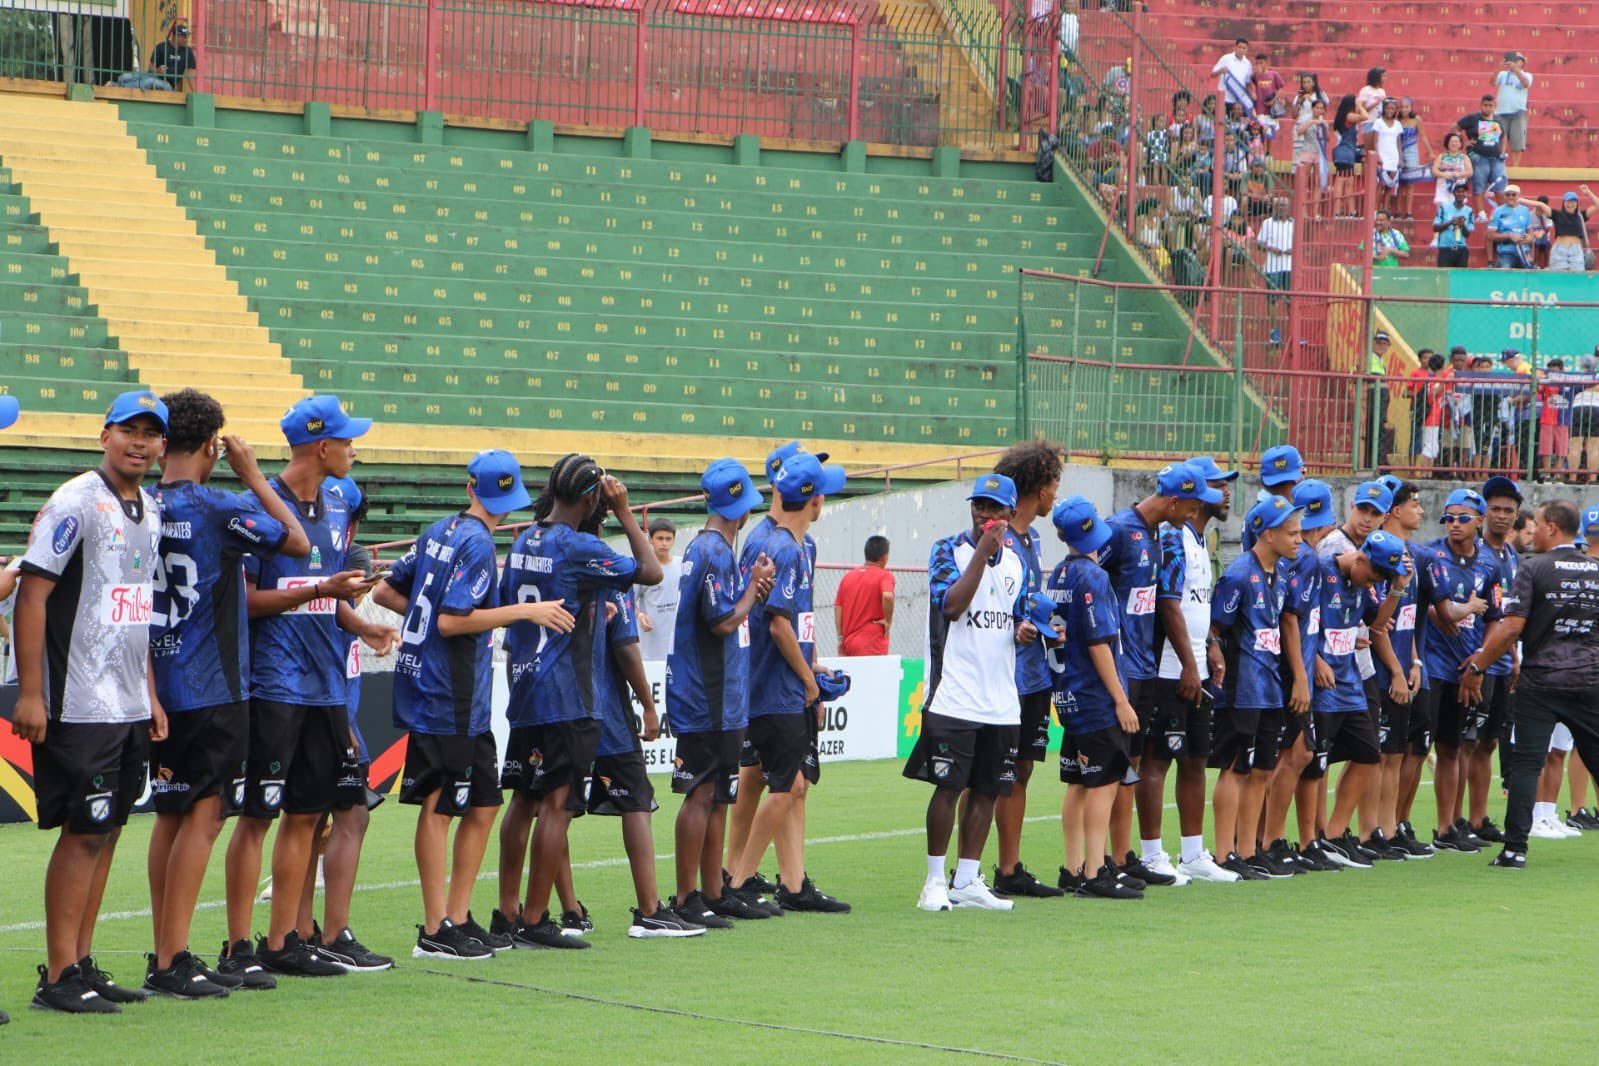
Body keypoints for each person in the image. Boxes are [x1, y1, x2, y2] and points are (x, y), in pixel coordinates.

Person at [221, 395, 397, 980]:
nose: (354, 450)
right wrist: (319, 589)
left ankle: (283, 943)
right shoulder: (254, 506)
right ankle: (237, 946)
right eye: (348, 441)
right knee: (257, 817)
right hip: (273, 686)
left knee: (307, 816)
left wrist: (359, 620)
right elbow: (243, 602)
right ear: (322, 447)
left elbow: (322, 593)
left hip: (326, 686)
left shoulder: (338, 505)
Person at [144, 390, 309, 997]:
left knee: (169, 813)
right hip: (210, 683)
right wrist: (252, 474)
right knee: (205, 815)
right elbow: (295, 542)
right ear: (214, 443)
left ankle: (166, 952)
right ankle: (172, 959)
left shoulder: (142, 503)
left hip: (155, 679)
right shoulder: (218, 506)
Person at [374, 451, 567, 958]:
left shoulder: (438, 530)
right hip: (449, 693)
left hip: (459, 694)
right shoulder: (479, 543)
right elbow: (450, 621)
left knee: (483, 803)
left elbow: (387, 592)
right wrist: (525, 610)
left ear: (469, 490)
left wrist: (427, 620)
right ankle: (436, 928)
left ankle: (457, 916)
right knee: (441, 806)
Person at [13, 391, 168, 1013]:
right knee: (82, 833)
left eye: (151, 434)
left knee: (107, 831)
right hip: (78, 701)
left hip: (127, 702)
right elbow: (31, 595)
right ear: (103, 435)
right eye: (128, 429)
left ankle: (80, 961)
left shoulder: (150, 510)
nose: (139, 442)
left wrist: (149, 693)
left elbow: (138, 612)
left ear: (162, 446)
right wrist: (31, 692)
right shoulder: (75, 502)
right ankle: (57, 976)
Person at [498, 455, 662, 947]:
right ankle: (534, 919)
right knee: (558, 806)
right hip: (567, 695)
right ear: (593, 497)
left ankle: (508, 912)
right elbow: (650, 571)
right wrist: (627, 512)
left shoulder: (527, 537)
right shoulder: (579, 546)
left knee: (523, 800)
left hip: (525, 684)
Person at [727, 451, 852, 913]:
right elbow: (778, 623)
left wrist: (810, 665)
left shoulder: (789, 542)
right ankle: (736, 877)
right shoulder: (777, 544)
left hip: (778, 680)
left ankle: (791, 882)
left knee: (789, 783)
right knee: (778, 783)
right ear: (813, 499)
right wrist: (808, 680)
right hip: (773, 685)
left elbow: (797, 620)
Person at [907, 474, 1032, 911]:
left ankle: (967, 880)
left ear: (1011, 515)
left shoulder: (1019, 563)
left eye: (994, 508)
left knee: (987, 791)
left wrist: (1024, 629)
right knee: (948, 788)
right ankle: (934, 882)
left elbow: (1017, 613)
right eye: (979, 505)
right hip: (955, 695)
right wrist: (982, 553)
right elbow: (953, 606)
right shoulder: (949, 550)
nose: (984, 514)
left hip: (1001, 699)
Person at [1462, 500, 1599, 869]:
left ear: (1552, 527)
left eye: (1536, 524)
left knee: (1525, 764)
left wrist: (1477, 667)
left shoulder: (1533, 568)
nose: (1530, 530)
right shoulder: (1596, 571)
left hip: (1540, 682)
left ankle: (1515, 850)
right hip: (1589, 681)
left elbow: (1511, 628)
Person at [667, 459, 775, 923]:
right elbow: (722, 621)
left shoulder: (715, 549)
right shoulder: (712, 551)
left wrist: (753, 592)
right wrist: (752, 591)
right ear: (739, 509)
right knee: (700, 792)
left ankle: (713, 892)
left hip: (722, 695)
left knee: (718, 793)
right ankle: (687, 897)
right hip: (705, 694)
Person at [1099, 462, 1217, 886]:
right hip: (1119, 665)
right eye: (1191, 505)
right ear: (1173, 500)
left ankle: (1123, 855)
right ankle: (1102, 862)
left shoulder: (1155, 534)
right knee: (1112, 769)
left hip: (1144, 666)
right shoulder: (1117, 530)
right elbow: (1089, 578)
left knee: (1130, 764)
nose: (1194, 513)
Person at [293, 475, 391, 972]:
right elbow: (321, 624)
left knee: (320, 816)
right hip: (322, 705)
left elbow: (335, 613)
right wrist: (344, 721)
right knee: (341, 814)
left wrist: (366, 625)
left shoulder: (324, 568)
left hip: (326, 703)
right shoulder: (326, 560)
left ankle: (306, 930)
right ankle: (325, 933)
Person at [1047, 496, 1143, 899]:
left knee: (1077, 782)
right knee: (1103, 783)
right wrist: (1121, 699)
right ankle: (1094, 871)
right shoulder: (1094, 577)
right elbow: (1100, 644)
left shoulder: (1058, 573)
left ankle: (1073, 868)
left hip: (1068, 691)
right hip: (1095, 694)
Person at [1152, 457, 1237, 882]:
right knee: (1158, 760)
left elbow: (1197, 605)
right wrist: (1188, 662)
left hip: (1197, 664)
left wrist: (1211, 648)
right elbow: (1168, 604)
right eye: (1220, 484)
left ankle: (1193, 854)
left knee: (1196, 758)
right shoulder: (1173, 538)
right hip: (1171, 669)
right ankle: (1152, 854)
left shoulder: (1203, 538)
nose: (1227, 492)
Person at [1208, 496, 1302, 880]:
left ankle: (1248, 851)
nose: (1298, 540)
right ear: (1267, 534)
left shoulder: (1280, 576)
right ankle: (1222, 853)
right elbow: (1216, 631)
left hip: (1271, 688)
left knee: (1262, 768)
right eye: (1291, 533)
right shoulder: (1237, 575)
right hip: (1241, 690)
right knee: (1235, 767)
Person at [988, 440, 1065, 898]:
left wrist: (1050, 626)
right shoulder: (997, 538)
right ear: (1037, 488)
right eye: (1054, 484)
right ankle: (968, 871)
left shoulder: (1032, 539)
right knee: (991, 773)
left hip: (1033, 674)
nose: (1056, 494)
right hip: (1001, 676)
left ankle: (1009, 868)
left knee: (1021, 770)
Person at [1308, 532, 1410, 867]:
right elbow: (1297, 620)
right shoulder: (1320, 570)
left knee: (1368, 754)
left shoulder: (1366, 585)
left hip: (1350, 685)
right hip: (1322, 687)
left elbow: (1377, 625)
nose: (1374, 582)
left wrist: (1397, 589)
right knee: (1314, 765)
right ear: (1360, 557)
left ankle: (1335, 835)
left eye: (1381, 579)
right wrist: (1317, 662)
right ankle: (1311, 839)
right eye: (1374, 575)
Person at [1422, 489, 1502, 851]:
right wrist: (1439, 615)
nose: (1454, 524)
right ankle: (1406, 827)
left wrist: (1480, 660)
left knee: (1455, 747)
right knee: (1415, 748)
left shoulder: (1490, 564)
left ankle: (1449, 827)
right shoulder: (1431, 556)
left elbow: (1496, 619)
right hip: (1433, 666)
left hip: (1467, 667)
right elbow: (1417, 603)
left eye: (1463, 518)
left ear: (1479, 521)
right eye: (1449, 518)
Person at [1366, 481, 1442, 857]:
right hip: (1380, 672)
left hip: (1402, 667)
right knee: (1378, 756)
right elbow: (1379, 625)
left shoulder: (1410, 558)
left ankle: (1390, 829)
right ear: (1394, 511)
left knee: (1396, 753)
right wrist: (1396, 670)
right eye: (1414, 503)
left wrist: (1412, 661)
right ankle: (1370, 831)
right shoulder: (1381, 555)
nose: (1421, 510)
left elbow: (1406, 621)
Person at [834, 535, 894, 656]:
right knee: (874, 675)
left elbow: (837, 608)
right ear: (884, 557)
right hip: (872, 642)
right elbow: (887, 596)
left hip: (848, 642)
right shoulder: (884, 576)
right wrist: (888, 621)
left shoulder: (848, 577)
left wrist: (840, 639)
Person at [634, 517, 680, 661]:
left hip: (679, 642)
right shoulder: (643, 570)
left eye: (668, 539)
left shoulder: (682, 565)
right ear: (650, 540)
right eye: (660, 538)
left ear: (673, 540)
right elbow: (628, 599)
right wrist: (640, 616)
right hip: (652, 646)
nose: (664, 543)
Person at [1459, 94, 1508, 219]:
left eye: (1490, 106)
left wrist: (1502, 152)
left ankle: (1502, 214)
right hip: (1478, 157)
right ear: (1481, 105)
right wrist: (1465, 142)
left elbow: (1504, 137)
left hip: (1497, 159)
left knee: (1500, 187)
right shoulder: (1472, 118)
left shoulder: (1499, 120)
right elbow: (1454, 128)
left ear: (1494, 107)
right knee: (1479, 185)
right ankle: (1481, 214)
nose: (1487, 108)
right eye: (1485, 105)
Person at [1256, 198, 1294, 345]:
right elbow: (1259, 243)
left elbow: (1301, 244)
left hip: (1290, 266)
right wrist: (1270, 248)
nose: (1281, 208)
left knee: (1292, 299)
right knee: (1272, 299)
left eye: (1284, 205)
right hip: (1272, 267)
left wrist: (1293, 250)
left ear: (1288, 207)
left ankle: (1293, 331)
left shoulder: (1294, 224)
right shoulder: (1267, 223)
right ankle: (1273, 331)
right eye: (1279, 205)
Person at [1492, 51, 1534, 169]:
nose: (1513, 62)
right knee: (1494, 140)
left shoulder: (1528, 75)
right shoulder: (1502, 74)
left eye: (1517, 60)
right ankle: (1497, 165)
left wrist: (1516, 70)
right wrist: (1498, 68)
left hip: (1518, 111)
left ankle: (1516, 167)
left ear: (1522, 62)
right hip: (1499, 111)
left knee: (1517, 141)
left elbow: (1525, 84)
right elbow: (1492, 82)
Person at [1547, 186, 1598, 272]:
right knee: (1559, 277)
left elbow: (1597, 205)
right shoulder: (1557, 214)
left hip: (1576, 250)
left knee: (1577, 277)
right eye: (1568, 201)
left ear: (1577, 203)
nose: (1570, 204)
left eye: (1573, 201)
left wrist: (1588, 192)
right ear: (1564, 203)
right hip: (1559, 250)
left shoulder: (1581, 215)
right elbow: (1541, 205)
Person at [1490, 184, 1536, 268]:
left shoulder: (1525, 210)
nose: (1510, 197)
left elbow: (1530, 233)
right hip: (1506, 253)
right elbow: (1490, 235)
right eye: (1508, 194)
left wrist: (1529, 238)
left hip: (1524, 251)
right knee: (1506, 279)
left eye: (1513, 194)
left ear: (1519, 196)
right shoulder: (1497, 211)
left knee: (1529, 278)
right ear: (1504, 196)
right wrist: (1509, 236)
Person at [1434, 183, 1476, 268]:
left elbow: (1467, 234)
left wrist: (1462, 225)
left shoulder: (1469, 211)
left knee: (1460, 278)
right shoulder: (1444, 208)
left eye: (1463, 192)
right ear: (1453, 193)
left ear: (1466, 193)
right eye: (1458, 191)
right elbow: (1435, 228)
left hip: (1461, 249)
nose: (1460, 194)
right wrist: (1450, 222)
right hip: (1445, 248)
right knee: (1444, 277)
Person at [1210, 39, 1254, 113]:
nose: (1241, 50)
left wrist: (1252, 93)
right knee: (1222, 121)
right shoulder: (1226, 58)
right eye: (1239, 47)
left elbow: (1247, 82)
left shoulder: (1248, 64)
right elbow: (1212, 75)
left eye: (1244, 48)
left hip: (1238, 100)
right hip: (1224, 98)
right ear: (1235, 47)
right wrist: (1221, 70)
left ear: (1247, 50)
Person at [151, 21, 197, 91]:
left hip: (167, 85)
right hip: (155, 77)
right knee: (133, 76)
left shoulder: (188, 51)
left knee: (148, 82)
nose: (186, 39)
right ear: (175, 36)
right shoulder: (161, 47)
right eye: (184, 37)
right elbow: (150, 67)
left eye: (187, 37)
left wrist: (196, 93)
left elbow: (190, 74)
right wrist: (157, 70)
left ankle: (127, 88)